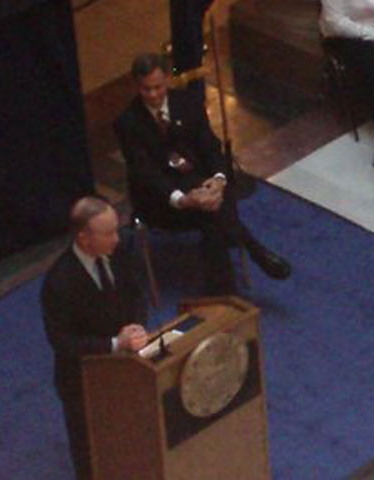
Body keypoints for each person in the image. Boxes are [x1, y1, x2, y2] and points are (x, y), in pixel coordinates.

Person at [113, 53, 291, 292]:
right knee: (214, 215)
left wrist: (218, 180)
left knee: (213, 210)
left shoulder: (186, 103)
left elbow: (210, 146)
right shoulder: (127, 122)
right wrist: (183, 199)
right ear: (136, 86)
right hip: (162, 199)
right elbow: (145, 174)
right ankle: (253, 252)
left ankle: (223, 291)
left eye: (158, 87)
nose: (153, 95)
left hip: (202, 186)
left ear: (167, 79)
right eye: (146, 89)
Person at [40, 196, 149, 480]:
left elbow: (137, 293)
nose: (117, 237)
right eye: (109, 232)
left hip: (127, 365)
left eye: (117, 228)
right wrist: (115, 344)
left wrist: (136, 326)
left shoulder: (121, 251)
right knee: (90, 451)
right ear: (84, 238)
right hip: (82, 379)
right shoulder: (60, 282)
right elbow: (63, 342)